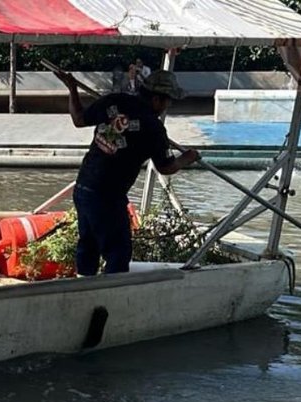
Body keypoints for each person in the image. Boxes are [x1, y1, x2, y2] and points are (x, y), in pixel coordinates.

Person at [53, 69, 201, 276]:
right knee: (118, 252)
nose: (167, 106)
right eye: (168, 101)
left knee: (89, 245)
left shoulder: (114, 101)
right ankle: (112, 297)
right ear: (157, 99)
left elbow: (78, 119)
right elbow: (165, 167)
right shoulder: (153, 127)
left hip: (84, 187)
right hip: (108, 196)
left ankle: (83, 289)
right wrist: (189, 157)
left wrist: (72, 89)